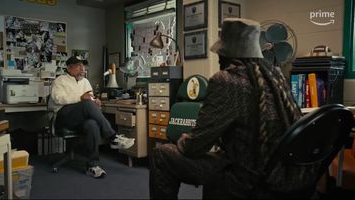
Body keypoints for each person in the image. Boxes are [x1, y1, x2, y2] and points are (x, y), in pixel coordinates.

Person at [149, 18, 319, 199]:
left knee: (161, 154)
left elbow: (195, 146)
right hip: (286, 175)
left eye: (221, 52)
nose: (219, 57)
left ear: (227, 53)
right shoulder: (275, 75)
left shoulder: (226, 81)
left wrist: (182, 140)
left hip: (247, 177)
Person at [49, 55, 135, 178]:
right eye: (78, 66)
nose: (82, 69)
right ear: (69, 67)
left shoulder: (85, 82)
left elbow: (90, 100)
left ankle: (93, 165)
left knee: (92, 124)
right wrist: (80, 99)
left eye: (83, 66)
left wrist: (95, 103)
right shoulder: (60, 80)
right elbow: (57, 98)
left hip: (80, 119)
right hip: (63, 116)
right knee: (86, 105)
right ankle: (113, 137)